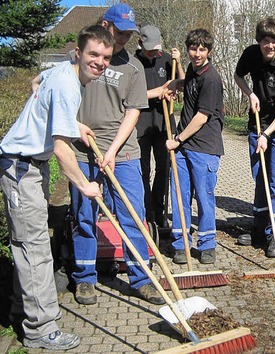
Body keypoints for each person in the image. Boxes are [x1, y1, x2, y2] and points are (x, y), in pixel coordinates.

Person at [0, 25, 113, 350]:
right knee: (34, 249)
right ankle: (40, 331)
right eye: (94, 54)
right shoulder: (67, 84)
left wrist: (73, 124)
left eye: (105, 57)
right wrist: (86, 185)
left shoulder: (63, 70)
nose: (100, 62)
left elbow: (42, 83)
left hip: (28, 165)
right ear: (79, 53)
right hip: (22, 167)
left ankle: (22, 312)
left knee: (31, 245)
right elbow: (63, 151)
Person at [70, 3, 164, 306]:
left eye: (128, 33)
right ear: (105, 25)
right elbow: (53, 92)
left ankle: (141, 277)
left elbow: (133, 112)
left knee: (132, 216)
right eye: (119, 31)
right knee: (84, 216)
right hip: (81, 153)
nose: (123, 37)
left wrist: (111, 151)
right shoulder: (82, 60)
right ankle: (85, 279)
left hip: (123, 155)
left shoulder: (133, 67)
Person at [234, 17, 275, 257]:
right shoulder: (251, 54)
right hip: (257, 122)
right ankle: (259, 228)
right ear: (259, 41)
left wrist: (267, 134)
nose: (270, 46)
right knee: (260, 176)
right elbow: (238, 76)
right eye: (265, 41)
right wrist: (249, 93)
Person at [163, 28, 224, 265]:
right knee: (180, 194)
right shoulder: (192, 69)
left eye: (202, 49)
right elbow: (187, 82)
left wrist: (177, 140)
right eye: (193, 49)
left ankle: (207, 244)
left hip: (204, 148)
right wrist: (175, 83)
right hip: (183, 147)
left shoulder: (211, 79)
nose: (197, 53)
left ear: (208, 51)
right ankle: (181, 243)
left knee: (204, 197)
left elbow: (202, 117)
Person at [134, 25, 185, 228]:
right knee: (143, 170)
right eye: (149, 49)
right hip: (140, 125)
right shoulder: (133, 63)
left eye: (156, 48)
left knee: (165, 169)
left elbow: (181, 84)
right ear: (140, 43)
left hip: (164, 123)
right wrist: (159, 91)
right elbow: (131, 96)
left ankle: (159, 210)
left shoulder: (166, 59)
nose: (154, 53)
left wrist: (179, 63)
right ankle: (146, 212)